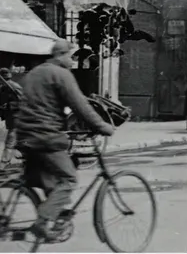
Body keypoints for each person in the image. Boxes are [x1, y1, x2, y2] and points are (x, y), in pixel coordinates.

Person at [15, 40, 115, 241]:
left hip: (25, 135)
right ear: (61, 55)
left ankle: (56, 217)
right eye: (72, 56)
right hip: (46, 136)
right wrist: (103, 126)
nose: (73, 61)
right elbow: (81, 105)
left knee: (47, 179)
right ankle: (42, 222)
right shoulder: (61, 74)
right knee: (69, 179)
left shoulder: (32, 74)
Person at [0, 67, 23, 166]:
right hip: (10, 116)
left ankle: (5, 160)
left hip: (16, 115)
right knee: (13, 136)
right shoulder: (3, 88)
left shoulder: (14, 86)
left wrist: (9, 105)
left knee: (11, 137)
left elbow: (24, 100)